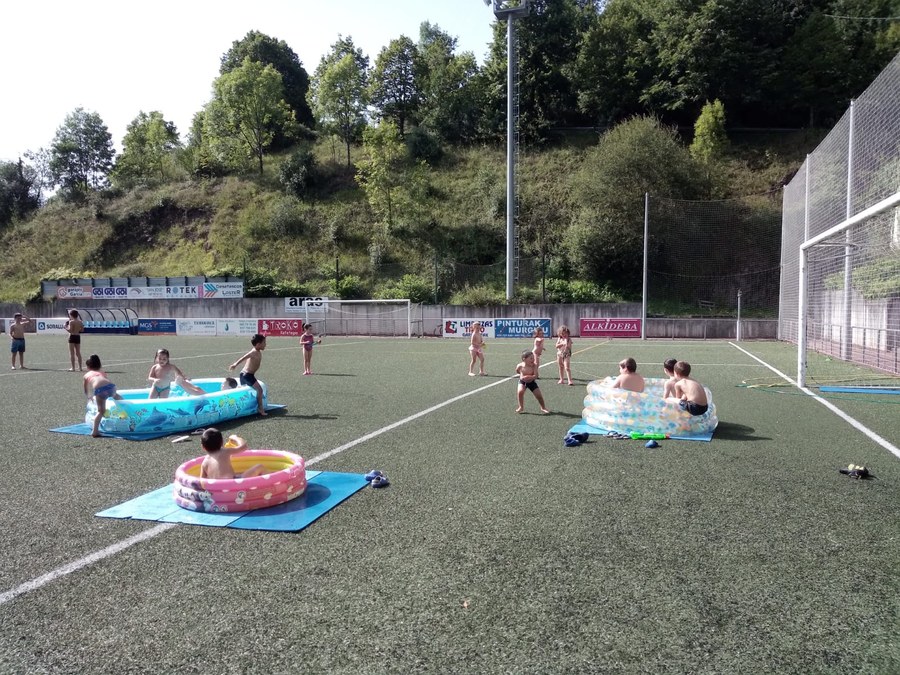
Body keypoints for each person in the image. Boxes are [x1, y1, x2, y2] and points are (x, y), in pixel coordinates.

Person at [83, 354, 123, 437]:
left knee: (101, 411)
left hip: (100, 390)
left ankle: (95, 431)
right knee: (116, 396)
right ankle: (125, 405)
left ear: (88, 367)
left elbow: (86, 388)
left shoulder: (86, 375)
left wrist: (89, 396)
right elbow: (105, 381)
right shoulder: (102, 372)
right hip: (111, 387)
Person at [200, 429, 264, 480]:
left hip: (217, 490)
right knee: (260, 467)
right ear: (222, 442)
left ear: (203, 447)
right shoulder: (225, 451)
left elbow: (201, 481)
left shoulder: (204, 463)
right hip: (233, 484)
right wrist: (235, 438)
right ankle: (270, 485)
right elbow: (244, 447)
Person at [229, 333, 267, 415]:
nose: (265, 345)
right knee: (259, 390)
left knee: (244, 391)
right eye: (264, 343)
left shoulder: (257, 350)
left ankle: (241, 406)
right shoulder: (253, 352)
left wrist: (263, 336)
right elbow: (243, 357)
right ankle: (261, 409)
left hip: (245, 375)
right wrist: (235, 364)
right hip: (247, 375)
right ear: (258, 344)